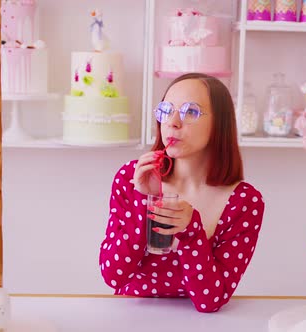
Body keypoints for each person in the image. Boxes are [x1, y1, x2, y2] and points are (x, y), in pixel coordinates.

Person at [99, 73, 265, 313]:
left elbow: (210, 301)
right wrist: (144, 203)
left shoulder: (244, 203)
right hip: (129, 319)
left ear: (220, 123)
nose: (173, 122)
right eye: (166, 110)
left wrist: (191, 231)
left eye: (190, 112)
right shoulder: (131, 178)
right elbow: (113, 276)